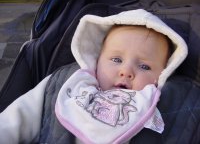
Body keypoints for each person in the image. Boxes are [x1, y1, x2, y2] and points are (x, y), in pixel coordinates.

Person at [0, 9, 188, 144]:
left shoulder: (173, 104)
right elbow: (14, 121)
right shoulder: (64, 84)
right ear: (97, 59)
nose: (126, 71)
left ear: (164, 73)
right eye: (116, 59)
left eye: (145, 66)